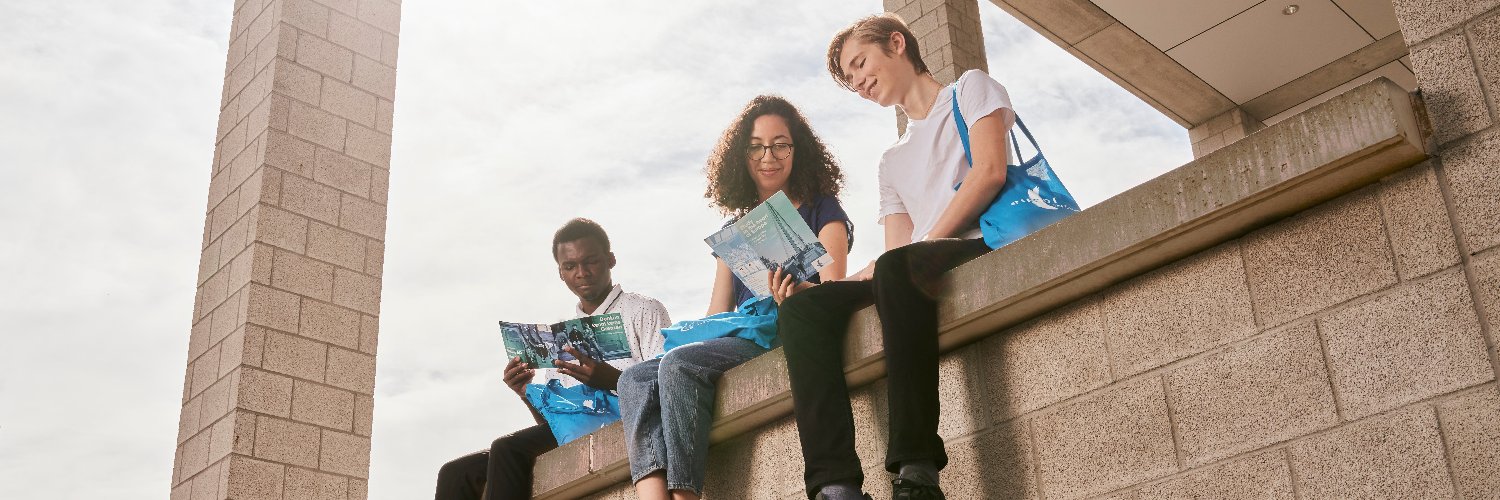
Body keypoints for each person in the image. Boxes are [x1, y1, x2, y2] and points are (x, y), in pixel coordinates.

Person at [778, 14, 1018, 500]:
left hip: (980, 241)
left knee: (898, 266)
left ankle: (917, 470)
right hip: (915, 264)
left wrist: (925, 243)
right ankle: (835, 487)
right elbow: (893, 253)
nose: (858, 82)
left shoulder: (969, 90)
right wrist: (821, 288)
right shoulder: (891, 161)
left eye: (860, 63)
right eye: (850, 78)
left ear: (896, 43)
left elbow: (990, 171)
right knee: (803, 309)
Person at [617, 95, 854, 500]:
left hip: (785, 327)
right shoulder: (737, 229)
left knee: (678, 365)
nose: (768, 157)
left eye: (780, 145)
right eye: (756, 147)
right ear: (742, 157)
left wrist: (796, 290)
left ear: (797, 150)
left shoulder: (822, 209)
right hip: (742, 329)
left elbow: (835, 290)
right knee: (634, 377)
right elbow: (718, 311)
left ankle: (686, 496)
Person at [434, 218, 672, 500]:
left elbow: (667, 388)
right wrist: (526, 394)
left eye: (591, 261)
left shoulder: (644, 309)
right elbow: (554, 425)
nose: (581, 273)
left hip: (626, 421)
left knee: (506, 448)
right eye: (570, 266)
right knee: (455, 473)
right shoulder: (560, 335)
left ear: (610, 260)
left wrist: (611, 379)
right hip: (575, 430)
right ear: (561, 273)